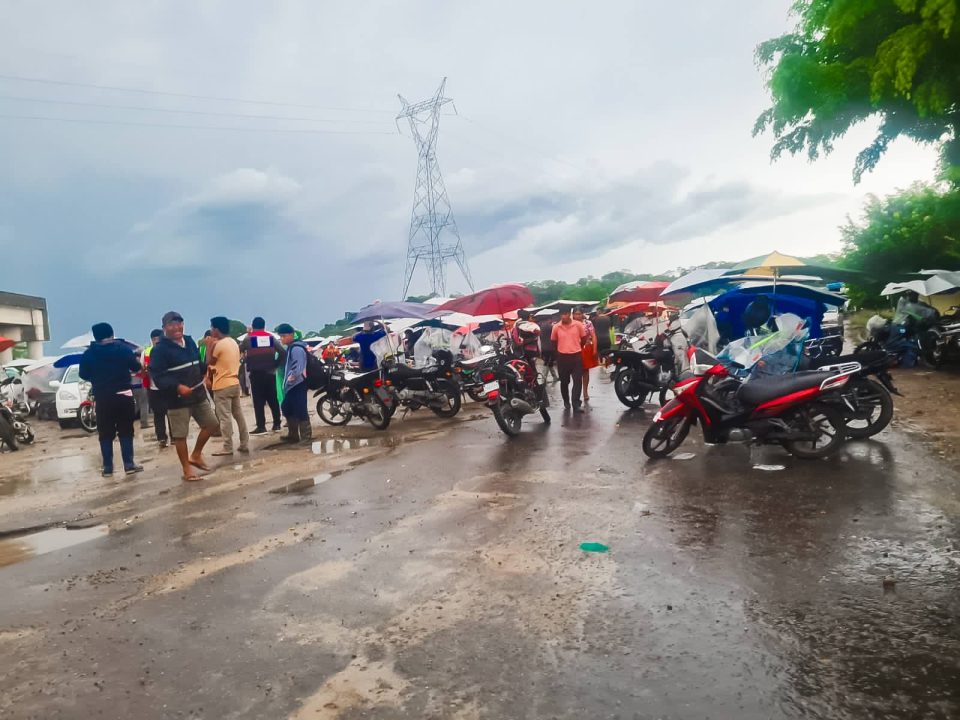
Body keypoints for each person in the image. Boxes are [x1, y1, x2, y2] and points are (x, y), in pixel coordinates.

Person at [148, 311, 219, 482]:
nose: (176, 327)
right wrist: (177, 387)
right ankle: (187, 470)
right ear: (164, 328)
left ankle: (195, 455)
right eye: (171, 324)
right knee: (180, 436)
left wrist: (207, 372)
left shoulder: (189, 341)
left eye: (179, 323)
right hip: (177, 400)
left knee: (212, 424)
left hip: (198, 394)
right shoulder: (159, 350)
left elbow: (197, 365)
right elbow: (158, 376)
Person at [78, 322, 144, 477]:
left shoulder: (89, 353)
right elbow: (135, 367)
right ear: (112, 333)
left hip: (102, 397)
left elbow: (83, 374)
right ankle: (128, 464)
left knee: (105, 433)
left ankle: (108, 468)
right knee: (126, 430)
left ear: (95, 336)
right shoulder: (123, 349)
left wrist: (97, 377)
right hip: (124, 395)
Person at [207, 316, 249, 456]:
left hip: (222, 385)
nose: (211, 330)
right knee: (238, 415)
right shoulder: (233, 342)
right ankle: (244, 442)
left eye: (212, 328)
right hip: (234, 382)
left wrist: (208, 346)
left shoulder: (218, 345)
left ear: (216, 329)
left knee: (224, 417)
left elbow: (209, 361)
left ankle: (227, 446)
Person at [239, 317, 284, 435]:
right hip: (270, 373)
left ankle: (261, 426)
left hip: (256, 373)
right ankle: (277, 424)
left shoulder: (249, 338)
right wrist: (275, 364)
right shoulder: (270, 338)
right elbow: (282, 352)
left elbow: (239, 349)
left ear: (253, 326)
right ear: (264, 326)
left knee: (258, 400)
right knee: (273, 399)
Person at [277, 323, 312, 446]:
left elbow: (299, 366)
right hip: (292, 385)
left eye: (284, 336)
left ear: (291, 335)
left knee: (300, 409)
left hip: (298, 383)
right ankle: (293, 435)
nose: (282, 339)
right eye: (280, 336)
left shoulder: (296, 348)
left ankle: (306, 438)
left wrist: (292, 377)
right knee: (287, 407)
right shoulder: (292, 347)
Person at [551, 308, 587, 412]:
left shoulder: (578, 325)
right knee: (564, 382)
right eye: (561, 315)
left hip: (576, 356)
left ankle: (576, 403)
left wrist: (577, 346)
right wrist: (559, 352)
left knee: (577, 381)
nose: (563, 317)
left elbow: (583, 338)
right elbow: (553, 341)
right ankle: (566, 402)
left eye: (565, 314)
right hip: (562, 357)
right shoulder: (556, 327)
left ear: (569, 314)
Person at [142, 329, 170, 448]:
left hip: (154, 388)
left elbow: (142, 369)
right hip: (167, 387)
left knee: (159, 415)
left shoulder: (146, 352)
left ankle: (162, 438)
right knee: (169, 413)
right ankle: (173, 437)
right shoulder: (168, 350)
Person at [574, 307, 599, 402]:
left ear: (582, 314)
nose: (577, 316)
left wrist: (594, 349)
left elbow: (593, 336)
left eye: (579, 314)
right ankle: (576, 392)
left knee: (585, 371)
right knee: (576, 372)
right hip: (574, 349)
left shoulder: (588, 323)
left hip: (586, 348)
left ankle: (585, 391)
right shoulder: (571, 324)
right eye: (575, 314)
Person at [537, 312, 559, 381]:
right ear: (549, 319)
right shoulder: (550, 327)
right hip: (550, 347)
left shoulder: (540, 326)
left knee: (549, 363)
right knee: (548, 363)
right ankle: (544, 378)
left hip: (543, 347)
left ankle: (554, 377)